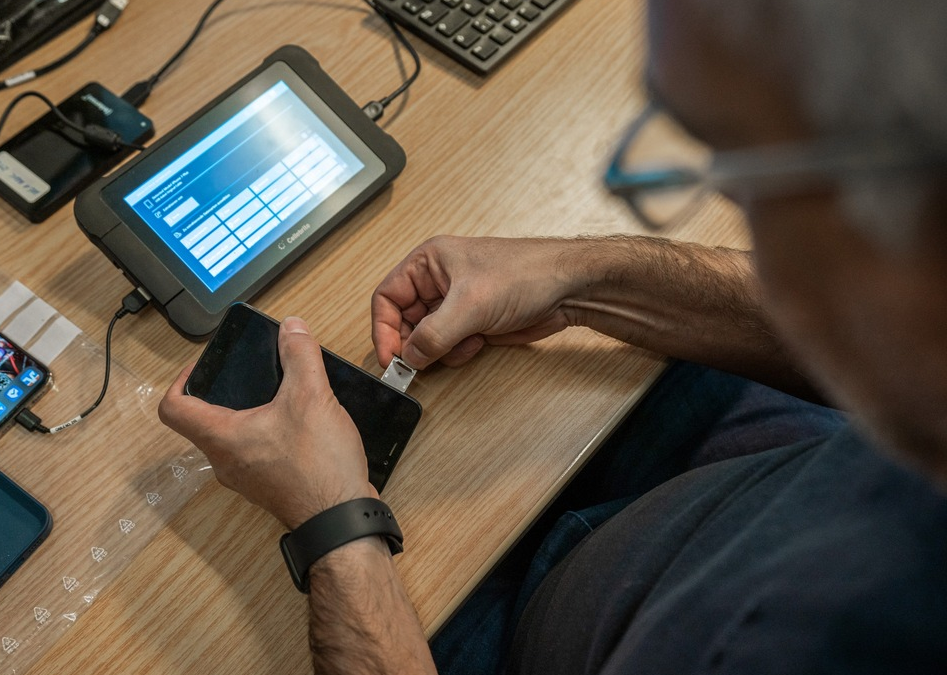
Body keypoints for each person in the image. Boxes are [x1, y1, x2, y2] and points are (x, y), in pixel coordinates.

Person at [158, 0, 947, 672]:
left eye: (729, 154)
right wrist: (582, 279)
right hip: (747, 491)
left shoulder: (827, 634)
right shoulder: (912, 320)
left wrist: (333, 523)